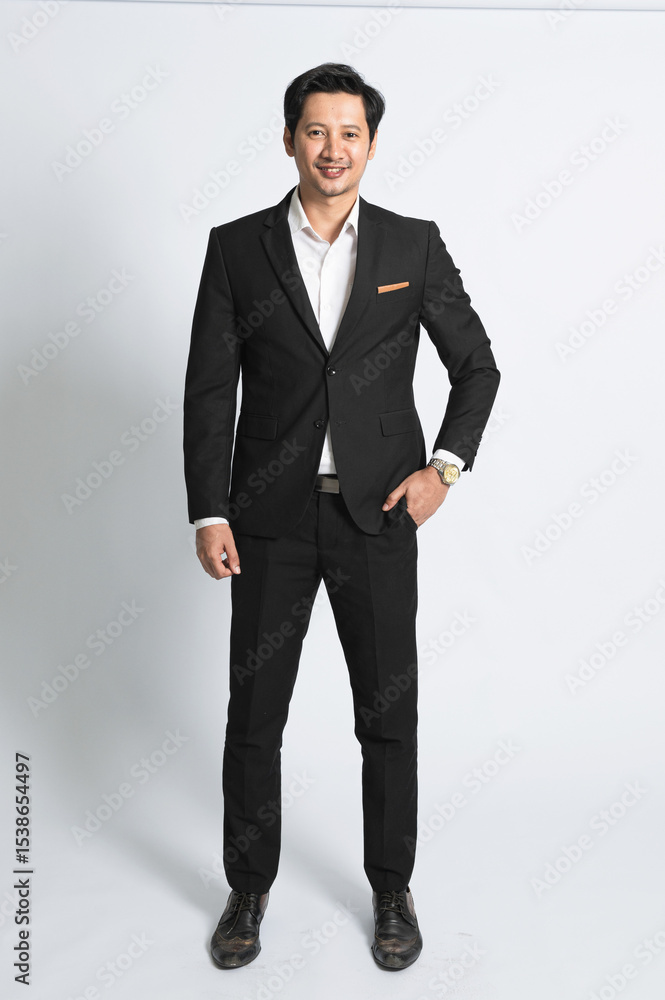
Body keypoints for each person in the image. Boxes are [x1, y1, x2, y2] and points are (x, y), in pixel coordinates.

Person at [183, 62, 500, 972]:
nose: (333, 149)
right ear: (289, 140)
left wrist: (444, 469)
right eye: (316, 131)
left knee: (387, 717)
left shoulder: (411, 246)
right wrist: (208, 512)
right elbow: (209, 391)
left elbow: (476, 366)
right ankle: (248, 891)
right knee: (255, 717)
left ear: (371, 143)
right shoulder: (236, 249)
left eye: (349, 133)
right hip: (267, 522)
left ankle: (392, 889)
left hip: (378, 517)